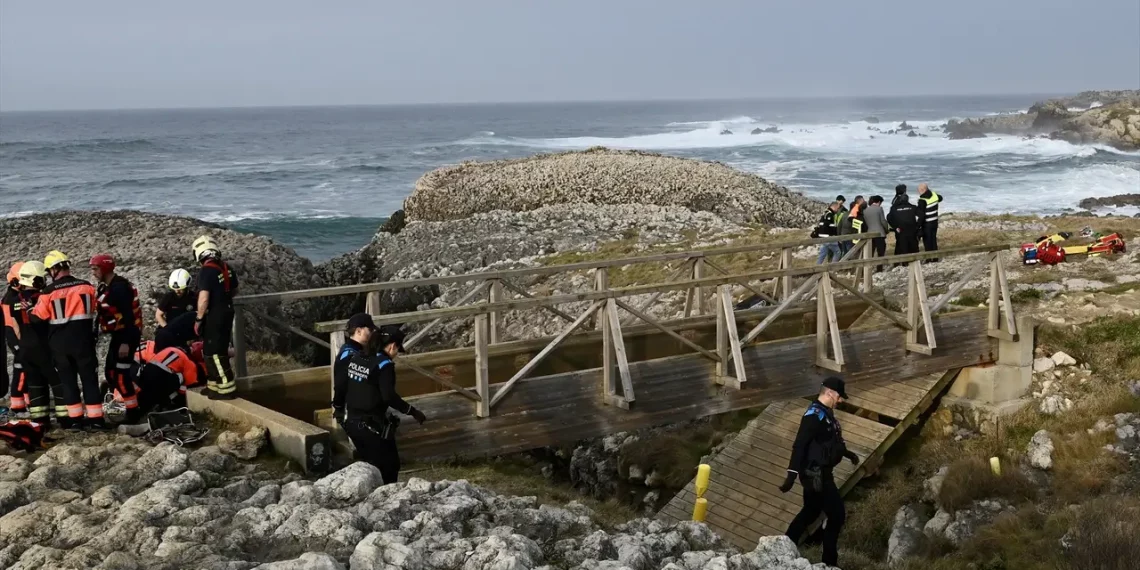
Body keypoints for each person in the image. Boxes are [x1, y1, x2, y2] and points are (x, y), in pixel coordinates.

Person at [779, 377, 861, 567]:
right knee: (837, 514)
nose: (840, 401)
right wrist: (791, 475)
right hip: (816, 475)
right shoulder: (813, 416)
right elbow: (799, 445)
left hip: (819, 472)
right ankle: (829, 561)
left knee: (811, 510)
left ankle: (785, 544)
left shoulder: (825, 412)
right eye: (839, 396)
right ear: (830, 393)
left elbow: (828, 440)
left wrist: (847, 454)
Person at [338, 315, 427, 484]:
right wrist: (412, 411)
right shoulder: (384, 365)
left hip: (352, 422)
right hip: (370, 426)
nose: (395, 355)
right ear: (393, 346)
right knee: (390, 466)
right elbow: (389, 396)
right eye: (397, 350)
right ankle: (387, 499)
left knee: (370, 465)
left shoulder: (357, 357)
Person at [31, 251, 104, 429]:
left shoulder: (49, 292)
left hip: (60, 345)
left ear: (55, 269)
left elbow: (38, 318)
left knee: (68, 382)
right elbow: (96, 309)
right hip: (84, 342)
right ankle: (96, 420)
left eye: (49, 271)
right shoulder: (87, 287)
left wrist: (29, 311)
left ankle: (76, 421)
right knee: (89, 380)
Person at [9, 261, 67, 427]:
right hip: (44, 347)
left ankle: (40, 421)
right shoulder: (42, 298)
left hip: (26, 348)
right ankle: (64, 418)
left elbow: (16, 323)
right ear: (37, 280)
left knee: (35, 385)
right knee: (57, 382)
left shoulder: (14, 301)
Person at [90, 254, 144, 423]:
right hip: (119, 335)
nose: (93, 272)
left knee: (121, 376)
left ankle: (133, 412)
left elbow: (128, 318)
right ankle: (137, 397)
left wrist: (126, 344)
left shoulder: (119, 288)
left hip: (126, 336)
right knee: (111, 373)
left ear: (105, 268)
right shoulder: (107, 286)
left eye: (95, 268)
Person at [192, 236, 239, 399]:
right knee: (211, 349)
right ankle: (213, 385)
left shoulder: (206, 270)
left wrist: (198, 319)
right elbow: (234, 290)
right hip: (227, 311)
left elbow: (204, 298)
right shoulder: (227, 267)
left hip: (215, 315)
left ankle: (227, 388)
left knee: (215, 352)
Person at [3, 263, 22, 414]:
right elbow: (12, 325)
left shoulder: (10, 297)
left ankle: (21, 402)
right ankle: (17, 403)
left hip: (15, 336)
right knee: (21, 369)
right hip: (16, 337)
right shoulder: (12, 299)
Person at [888, 193, 921, 259]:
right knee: (913, 246)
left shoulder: (894, 208)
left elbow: (889, 218)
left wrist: (895, 227)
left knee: (903, 246)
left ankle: (904, 263)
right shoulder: (913, 207)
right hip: (912, 230)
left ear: (900, 200)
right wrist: (917, 225)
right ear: (908, 199)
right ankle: (915, 261)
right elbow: (922, 215)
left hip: (900, 230)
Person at [863, 196, 890, 271]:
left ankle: (867, 268)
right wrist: (886, 229)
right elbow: (883, 221)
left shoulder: (865, 210)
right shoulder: (879, 209)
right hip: (879, 233)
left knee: (870, 252)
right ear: (879, 202)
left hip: (869, 233)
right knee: (881, 252)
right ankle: (879, 268)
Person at [917, 183, 942, 260]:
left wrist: (918, 226)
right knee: (933, 240)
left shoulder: (922, 200)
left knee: (927, 242)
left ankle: (928, 259)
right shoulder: (934, 195)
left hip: (927, 224)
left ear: (923, 190)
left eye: (919, 190)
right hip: (934, 222)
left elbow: (921, 216)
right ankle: (935, 258)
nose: (918, 192)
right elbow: (940, 198)